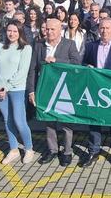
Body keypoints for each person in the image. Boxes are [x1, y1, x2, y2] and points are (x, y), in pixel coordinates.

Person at [27, 18, 81, 166]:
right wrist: (31, 91)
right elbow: (32, 69)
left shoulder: (69, 44)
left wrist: (57, 60)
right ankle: (52, 150)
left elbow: (77, 64)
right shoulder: (38, 45)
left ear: (60, 31)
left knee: (65, 123)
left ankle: (67, 151)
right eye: (47, 29)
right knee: (49, 122)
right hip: (46, 90)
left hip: (64, 91)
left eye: (52, 29)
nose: (49, 32)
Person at [79, 18, 111, 168]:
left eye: (108, 28)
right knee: (94, 123)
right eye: (102, 28)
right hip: (95, 92)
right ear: (98, 30)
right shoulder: (91, 46)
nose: (104, 31)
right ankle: (93, 151)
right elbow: (82, 63)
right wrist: (86, 66)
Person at [0, 21, 35, 165]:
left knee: (19, 121)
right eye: (9, 30)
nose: (12, 34)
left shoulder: (26, 48)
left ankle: (29, 148)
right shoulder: (0, 46)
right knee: (8, 120)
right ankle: (13, 149)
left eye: (15, 31)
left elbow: (22, 72)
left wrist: (6, 88)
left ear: (20, 32)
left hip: (16, 89)